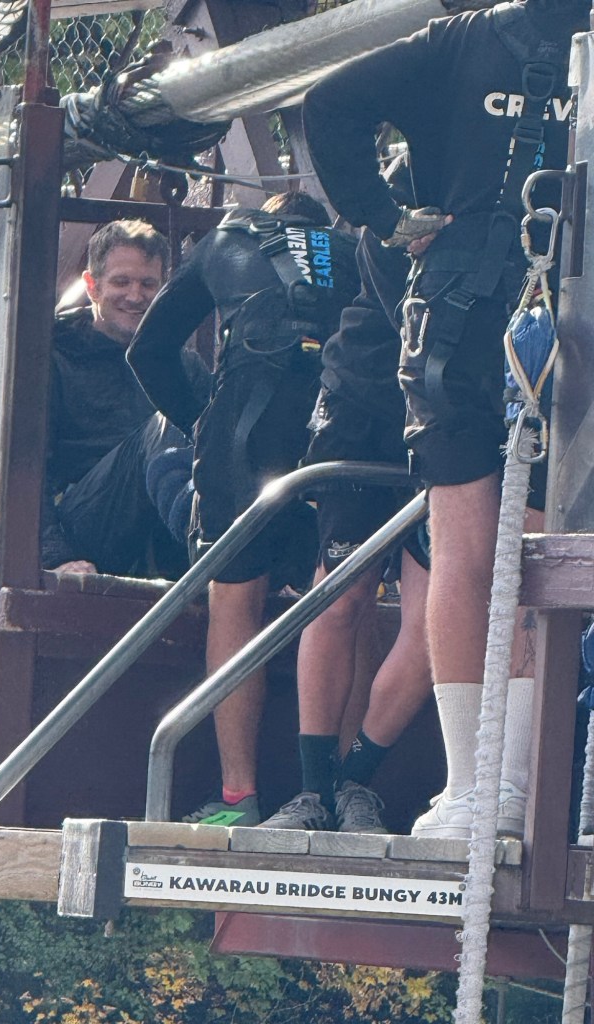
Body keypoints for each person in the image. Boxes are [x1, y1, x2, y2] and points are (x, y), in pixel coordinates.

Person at [300, 0, 589, 838]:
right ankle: (510, 786)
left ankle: (474, 788)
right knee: (532, 553)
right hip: (568, 325)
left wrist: (384, 218)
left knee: (470, 553)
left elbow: (329, 103)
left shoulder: (461, 41)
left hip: (458, 327)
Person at [128, 192, 359, 826]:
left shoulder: (226, 241)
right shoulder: (352, 250)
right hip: (340, 424)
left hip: (247, 428)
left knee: (235, 602)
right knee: (345, 598)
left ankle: (240, 796)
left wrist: (198, 422)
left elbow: (148, 350)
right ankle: (343, 788)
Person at [261, 164, 434, 833]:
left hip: (453, 418)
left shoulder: (511, 183)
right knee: (340, 597)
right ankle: (311, 794)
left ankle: (354, 780)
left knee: (433, 622)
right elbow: (398, 291)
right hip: (364, 406)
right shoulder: (402, 175)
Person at [42, 219, 207, 581]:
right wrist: (57, 556)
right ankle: (213, 552)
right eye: (121, 282)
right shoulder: (54, 358)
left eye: (147, 284)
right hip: (85, 524)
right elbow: (29, 472)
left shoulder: (185, 366)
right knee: (166, 424)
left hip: (158, 529)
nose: (135, 296)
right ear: (92, 286)